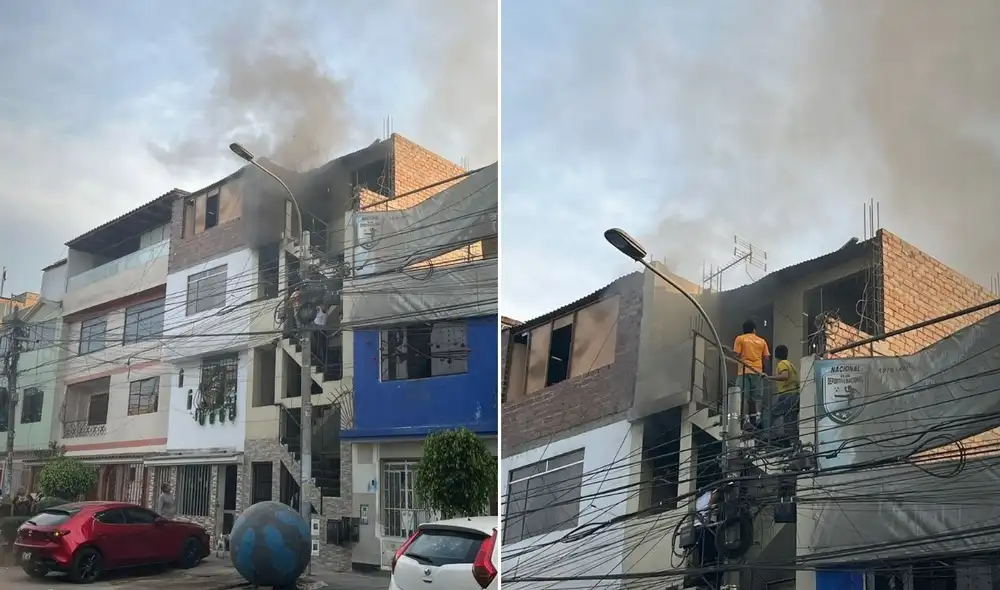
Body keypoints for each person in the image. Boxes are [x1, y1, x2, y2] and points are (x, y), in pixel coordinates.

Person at [733, 319, 770, 428]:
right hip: (757, 371)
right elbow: (766, 358)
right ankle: (758, 417)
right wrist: (764, 371)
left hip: (743, 371)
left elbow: (736, 354)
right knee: (758, 397)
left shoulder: (740, 339)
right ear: (754, 330)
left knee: (744, 396)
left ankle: (746, 419)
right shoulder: (762, 341)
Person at [767, 345, 800, 442]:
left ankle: (768, 437)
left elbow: (785, 376)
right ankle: (794, 444)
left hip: (786, 396)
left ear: (775, 355)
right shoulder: (791, 365)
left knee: (768, 414)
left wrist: (769, 377)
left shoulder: (782, 364)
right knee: (790, 424)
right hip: (795, 396)